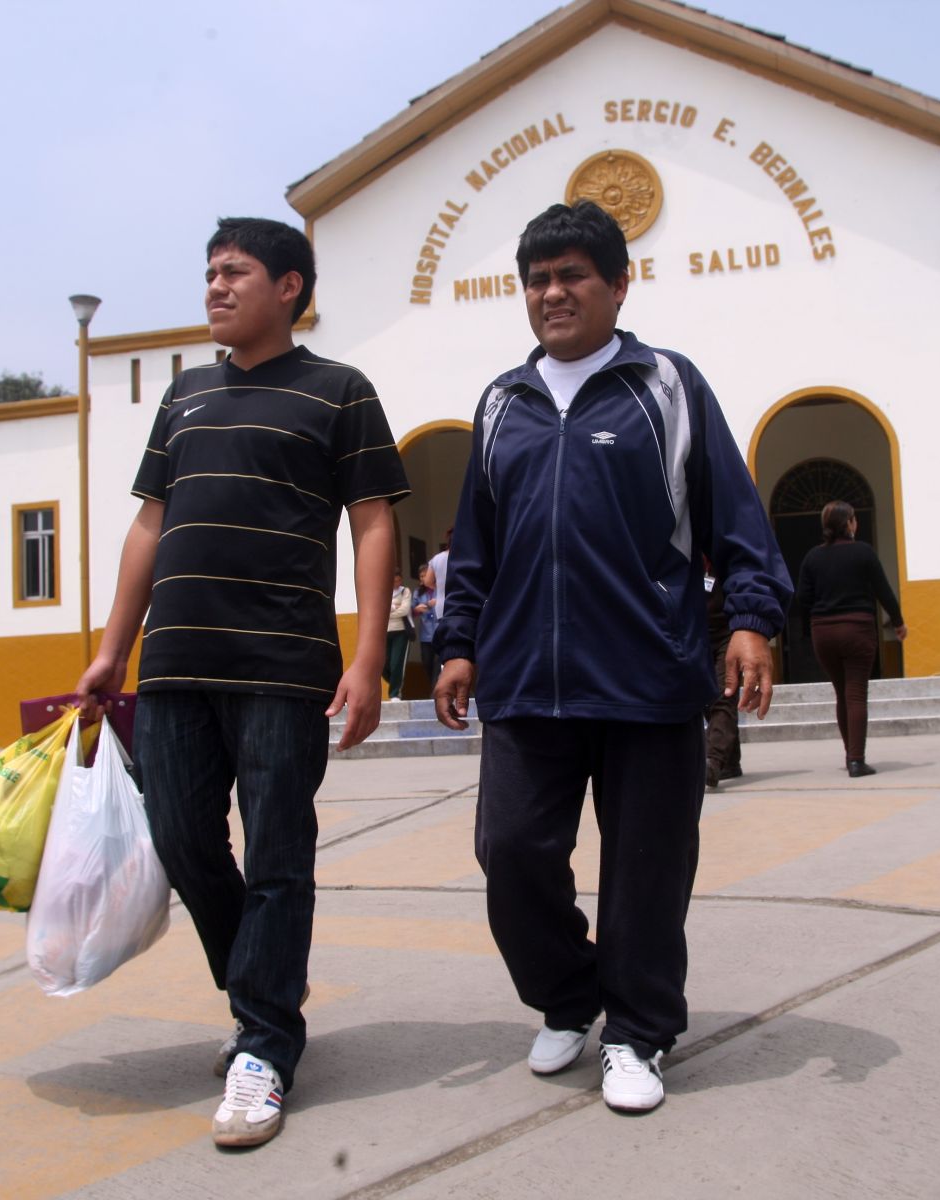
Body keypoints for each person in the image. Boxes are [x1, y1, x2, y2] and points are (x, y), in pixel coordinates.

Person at [434, 201, 791, 1114]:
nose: (552, 293)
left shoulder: (666, 385)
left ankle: (637, 1031)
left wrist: (751, 616)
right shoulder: (502, 403)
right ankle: (569, 995)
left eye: (572, 275)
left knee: (647, 868)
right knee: (510, 853)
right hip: (523, 679)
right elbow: (474, 542)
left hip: (647, 675)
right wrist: (458, 642)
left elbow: (733, 515)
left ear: (618, 284)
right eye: (537, 279)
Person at [76, 216, 409, 1150]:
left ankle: (263, 1043)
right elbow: (150, 527)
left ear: (291, 287)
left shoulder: (338, 393)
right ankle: (266, 988)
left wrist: (369, 654)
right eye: (211, 273)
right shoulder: (181, 399)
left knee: (277, 855)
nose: (217, 287)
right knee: (183, 840)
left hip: (280, 669)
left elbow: (374, 522)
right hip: (174, 664)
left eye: (236, 273)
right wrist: (112, 650)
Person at [793, 500, 906, 777]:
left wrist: (813, 625)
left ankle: (850, 755)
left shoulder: (812, 558)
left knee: (842, 693)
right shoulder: (863, 553)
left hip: (824, 633)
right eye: (854, 519)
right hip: (858, 629)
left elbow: (802, 600)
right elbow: (884, 591)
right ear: (848, 523)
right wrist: (899, 623)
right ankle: (856, 760)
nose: (856, 523)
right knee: (856, 694)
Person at [702, 569, 741, 788]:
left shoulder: (723, 553)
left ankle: (714, 759)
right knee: (708, 698)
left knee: (725, 694)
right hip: (699, 632)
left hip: (730, 632)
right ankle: (730, 762)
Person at [384, 569, 413, 700]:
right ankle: (395, 683)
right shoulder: (383, 592)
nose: (396, 583)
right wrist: (393, 607)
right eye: (393, 580)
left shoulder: (405, 591)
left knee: (396, 663)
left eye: (398, 580)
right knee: (383, 665)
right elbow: (379, 608)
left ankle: (395, 693)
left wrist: (388, 612)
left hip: (401, 631)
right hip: (384, 632)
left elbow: (405, 610)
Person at [412, 562, 441, 693]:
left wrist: (438, 602)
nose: (423, 578)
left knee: (437, 664)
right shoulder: (417, 593)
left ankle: (434, 690)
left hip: (440, 632)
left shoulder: (440, 589)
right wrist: (417, 609)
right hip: (425, 634)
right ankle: (435, 687)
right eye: (421, 576)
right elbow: (411, 612)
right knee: (427, 662)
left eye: (425, 575)